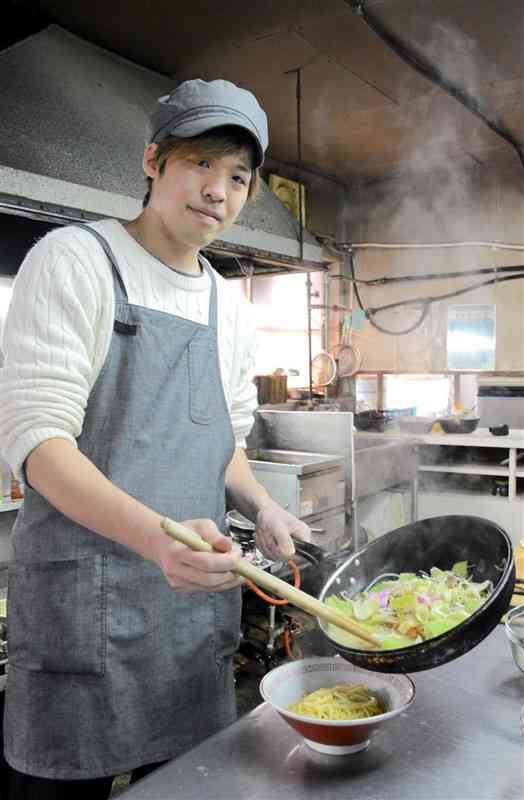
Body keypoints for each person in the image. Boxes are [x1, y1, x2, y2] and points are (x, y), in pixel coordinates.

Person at [0, 78, 309, 799]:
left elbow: (223, 440)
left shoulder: (227, 306)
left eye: (238, 177)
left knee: (186, 787)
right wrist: (155, 540)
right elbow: (37, 441)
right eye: (202, 163)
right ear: (153, 161)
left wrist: (263, 505)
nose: (219, 190)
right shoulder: (75, 260)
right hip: (84, 612)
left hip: (188, 622)